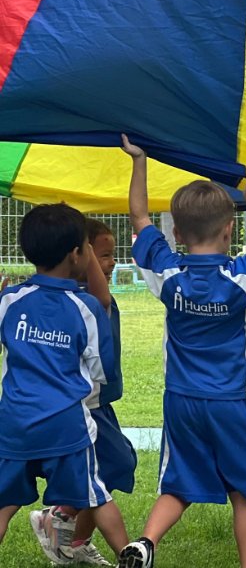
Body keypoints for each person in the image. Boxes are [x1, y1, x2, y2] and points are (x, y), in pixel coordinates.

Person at [118, 135, 246, 568]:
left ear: (176, 232)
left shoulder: (167, 273)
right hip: (231, 401)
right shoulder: (242, 277)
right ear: (229, 229)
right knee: (244, 491)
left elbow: (139, 217)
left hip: (180, 399)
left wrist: (139, 160)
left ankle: (145, 542)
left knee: (179, 483)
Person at [0, 204, 129, 560]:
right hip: (66, 427)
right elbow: (102, 370)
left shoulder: (9, 300)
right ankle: (128, 556)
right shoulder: (85, 307)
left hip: (13, 425)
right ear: (77, 254)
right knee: (95, 494)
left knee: (3, 504)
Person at [30, 218, 137, 566]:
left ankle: (75, 540)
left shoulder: (91, 297)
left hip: (98, 402)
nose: (111, 263)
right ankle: (59, 516)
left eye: (111, 254)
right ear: (77, 255)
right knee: (114, 465)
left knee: (110, 469)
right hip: (82, 406)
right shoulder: (83, 298)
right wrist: (76, 233)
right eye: (102, 255)